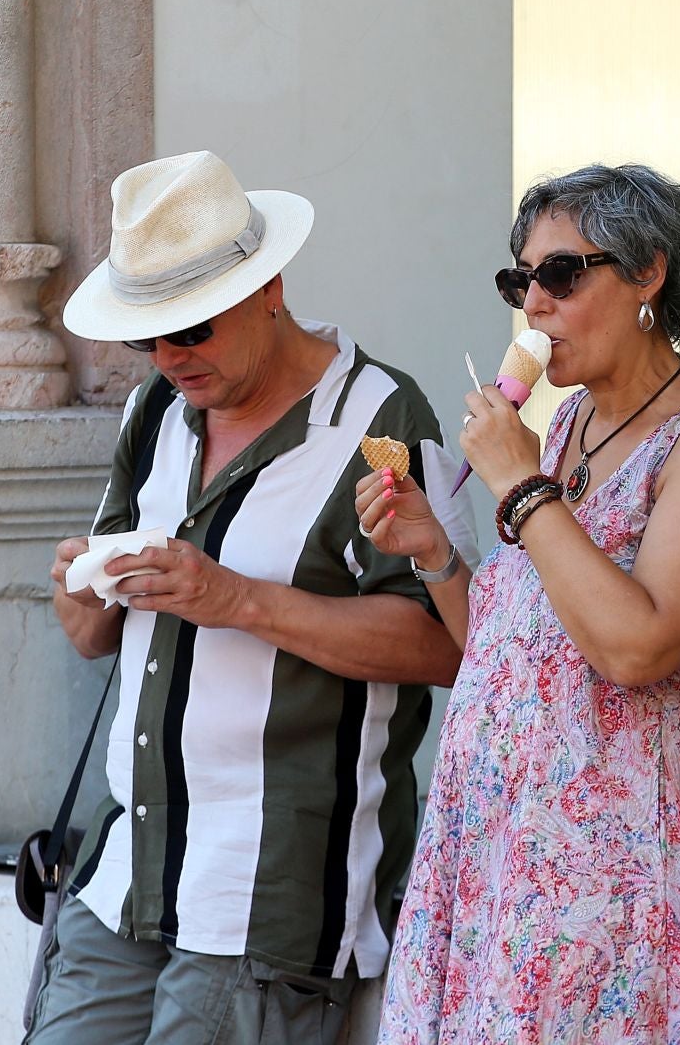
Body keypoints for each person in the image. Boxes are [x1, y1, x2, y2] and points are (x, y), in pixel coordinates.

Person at [28, 150, 465, 1045]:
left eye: (193, 329)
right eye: (149, 337)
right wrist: (84, 588)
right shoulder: (155, 411)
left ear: (268, 287)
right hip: (126, 875)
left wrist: (236, 598)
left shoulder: (381, 421)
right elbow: (94, 639)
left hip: (268, 898)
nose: (171, 357)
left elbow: (445, 644)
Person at [355, 163, 680, 1042]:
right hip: (493, 868)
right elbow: (513, 654)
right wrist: (436, 551)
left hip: (611, 889)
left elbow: (638, 647)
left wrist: (519, 486)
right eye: (521, 282)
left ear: (648, 274)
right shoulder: (566, 427)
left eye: (561, 275)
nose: (535, 307)